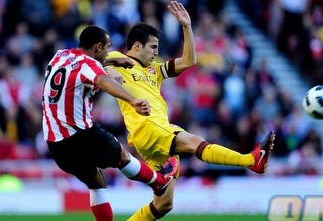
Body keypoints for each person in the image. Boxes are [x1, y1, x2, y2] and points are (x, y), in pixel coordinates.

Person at [105, 1, 276, 220]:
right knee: (194, 141)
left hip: (156, 133)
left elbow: (189, 61)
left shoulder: (153, 70)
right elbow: (95, 63)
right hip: (147, 127)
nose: (157, 52)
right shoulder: (120, 60)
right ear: (137, 46)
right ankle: (251, 161)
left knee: (164, 204)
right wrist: (109, 69)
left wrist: (187, 27)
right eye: (153, 47)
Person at [41, 25, 179, 221]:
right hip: (80, 134)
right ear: (98, 47)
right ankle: (159, 182)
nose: (108, 50)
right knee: (121, 156)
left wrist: (115, 60)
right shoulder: (89, 66)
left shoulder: (61, 55)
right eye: (107, 47)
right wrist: (133, 100)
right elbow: (103, 81)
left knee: (96, 181)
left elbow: (88, 63)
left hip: (55, 143)